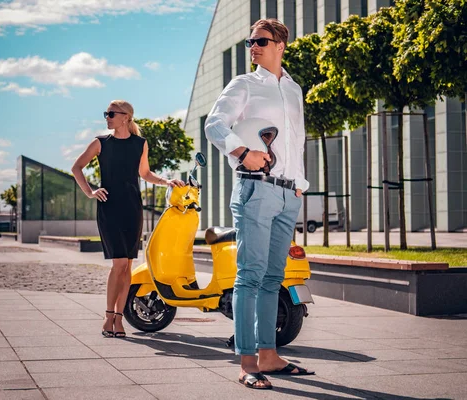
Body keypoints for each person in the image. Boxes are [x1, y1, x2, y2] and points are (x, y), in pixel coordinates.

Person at [205, 18, 314, 390]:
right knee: (249, 276)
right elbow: (214, 123)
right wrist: (242, 151)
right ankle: (247, 363)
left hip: (288, 194)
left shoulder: (294, 88)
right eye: (250, 41)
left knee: (273, 278)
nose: (253, 46)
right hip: (255, 189)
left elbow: (296, 141)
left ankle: (269, 354)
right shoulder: (244, 84)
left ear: (280, 44)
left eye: (261, 41)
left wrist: (299, 184)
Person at [72, 100, 185, 339]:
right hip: (109, 208)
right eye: (106, 113)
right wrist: (90, 192)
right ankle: (108, 316)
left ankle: (120, 318)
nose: (107, 117)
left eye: (111, 113)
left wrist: (167, 181)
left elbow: (145, 173)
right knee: (119, 265)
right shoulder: (100, 143)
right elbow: (77, 168)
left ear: (126, 117)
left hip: (133, 209)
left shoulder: (140, 144)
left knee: (129, 266)